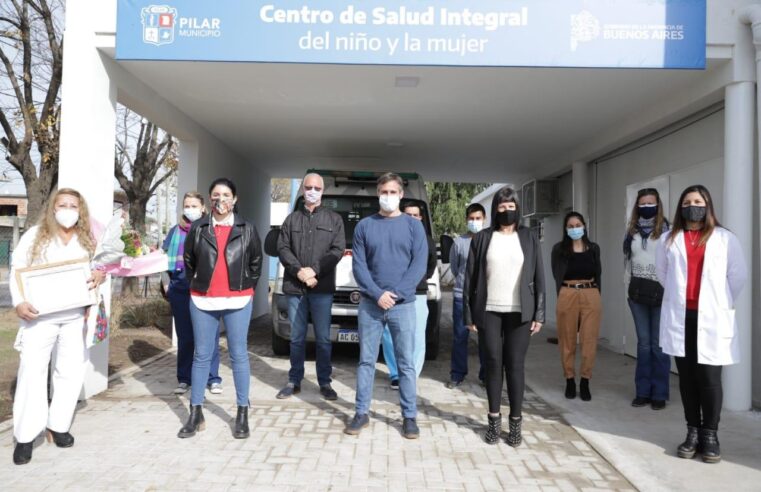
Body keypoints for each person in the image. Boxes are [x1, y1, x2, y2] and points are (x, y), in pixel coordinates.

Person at [10, 188, 106, 465]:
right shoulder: (36, 235)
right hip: (39, 316)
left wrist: (99, 275)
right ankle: (26, 436)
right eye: (62, 204)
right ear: (53, 208)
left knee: (71, 370)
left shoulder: (87, 238)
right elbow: (17, 269)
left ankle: (58, 425)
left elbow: (99, 269)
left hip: (76, 315)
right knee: (31, 370)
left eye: (73, 205)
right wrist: (19, 303)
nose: (67, 210)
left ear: (81, 210)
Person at [656, 185, 746, 464]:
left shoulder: (725, 238)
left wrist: (715, 303)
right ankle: (692, 430)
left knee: (709, 379)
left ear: (708, 205)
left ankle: (710, 434)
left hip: (712, 317)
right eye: (687, 201)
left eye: (698, 201)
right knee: (687, 378)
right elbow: (663, 274)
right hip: (681, 317)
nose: (692, 205)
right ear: (680, 207)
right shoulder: (668, 240)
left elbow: (737, 277)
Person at [179, 178, 262, 440]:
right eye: (216, 195)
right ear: (210, 198)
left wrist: (247, 287)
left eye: (226, 195)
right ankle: (196, 412)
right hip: (203, 300)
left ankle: (242, 411)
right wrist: (196, 284)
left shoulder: (247, 228)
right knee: (202, 355)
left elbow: (256, 261)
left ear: (235, 199)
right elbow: (189, 259)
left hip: (237, 300)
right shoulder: (199, 228)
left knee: (238, 355)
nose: (221, 200)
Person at [345, 173, 427, 439]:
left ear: (401, 195)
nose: (388, 196)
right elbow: (359, 266)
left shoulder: (414, 227)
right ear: (377, 194)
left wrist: (397, 294)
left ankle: (409, 416)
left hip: (403, 306)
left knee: (405, 363)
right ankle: (361, 413)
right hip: (370, 304)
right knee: (366, 361)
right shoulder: (365, 226)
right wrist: (377, 293)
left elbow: (418, 265)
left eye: (393, 192)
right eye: (383, 192)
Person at [463, 186, 545, 446]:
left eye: (511, 207)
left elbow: (539, 277)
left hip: (520, 313)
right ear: (495, 209)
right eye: (502, 207)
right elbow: (470, 279)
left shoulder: (529, 237)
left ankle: (516, 423)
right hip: (489, 311)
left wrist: (540, 313)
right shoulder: (483, 238)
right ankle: (494, 421)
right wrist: (468, 314)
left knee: (515, 366)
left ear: (517, 209)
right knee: (493, 365)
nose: (507, 211)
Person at [275, 173, 345, 400]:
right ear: (303, 190)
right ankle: (294, 380)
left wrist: (314, 270)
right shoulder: (291, 220)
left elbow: (337, 250)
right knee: (296, 338)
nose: (312, 190)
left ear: (323, 191)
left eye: (317, 187)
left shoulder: (334, 220)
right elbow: (283, 249)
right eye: (308, 187)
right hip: (296, 288)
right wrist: (300, 272)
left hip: (321, 288)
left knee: (324, 338)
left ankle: (325, 382)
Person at [163, 191, 223, 396]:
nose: (190, 209)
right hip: (180, 288)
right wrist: (166, 284)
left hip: (206, 289)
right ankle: (184, 378)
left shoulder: (211, 229)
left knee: (209, 335)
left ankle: (212, 378)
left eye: (194, 205)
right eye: (186, 205)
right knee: (185, 336)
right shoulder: (175, 232)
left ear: (203, 208)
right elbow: (163, 258)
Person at [380, 202, 437, 387]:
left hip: (418, 293)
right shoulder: (392, 235)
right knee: (389, 334)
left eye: (415, 215)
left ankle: (411, 374)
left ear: (421, 218)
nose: (412, 218)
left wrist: (416, 281)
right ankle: (396, 373)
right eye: (408, 214)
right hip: (393, 293)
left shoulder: (427, 240)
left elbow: (430, 266)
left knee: (417, 334)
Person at [624, 188, 670, 410]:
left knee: (658, 346)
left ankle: (659, 393)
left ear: (658, 204)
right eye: (642, 203)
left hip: (662, 295)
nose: (647, 207)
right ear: (637, 206)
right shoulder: (631, 231)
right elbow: (628, 262)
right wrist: (627, 290)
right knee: (643, 345)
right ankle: (642, 391)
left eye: (651, 203)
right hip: (637, 295)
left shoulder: (668, 231)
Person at [551, 211, 602, 402]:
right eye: (570, 226)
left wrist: (597, 295)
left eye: (577, 225)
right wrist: (562, 296)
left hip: (590, 292)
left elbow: (599, 273)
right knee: (567, 339)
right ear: (565, 229)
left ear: (584, 226)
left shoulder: (594, 248)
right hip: (568, 292)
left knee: (589, 340)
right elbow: (556, 274)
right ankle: (570, 379)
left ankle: (585, 381)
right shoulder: (559, 249)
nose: (575, 229)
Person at [447, 203, 487, 388]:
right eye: (471, 218)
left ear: (484, 219)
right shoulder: (459, 243)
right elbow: (456, 269)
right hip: (461, 297)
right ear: (466, 220)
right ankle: (457, 374)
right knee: (460, 337)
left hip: (485, 298)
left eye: (478, 218)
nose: (474, 222)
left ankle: (486, 375)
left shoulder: (490, 240)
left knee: (486, 338)